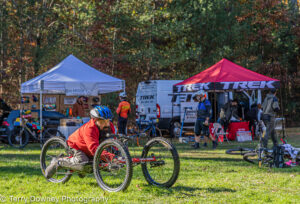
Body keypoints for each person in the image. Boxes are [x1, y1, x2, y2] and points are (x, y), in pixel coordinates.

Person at [45, 105, 113, 179]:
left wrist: (117, 156)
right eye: (102, 122)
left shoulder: (109, 127)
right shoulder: (90, 129)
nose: (106, 124)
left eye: (107, 121)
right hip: (76, 145)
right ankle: (58, 162)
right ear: (95, 120)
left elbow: (112, 143)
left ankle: (81, 169)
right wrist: (111, 157)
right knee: (83, 162)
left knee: (101, 162)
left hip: (88, 148)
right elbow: (94, 149)